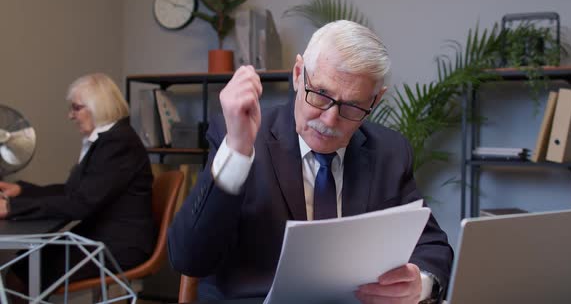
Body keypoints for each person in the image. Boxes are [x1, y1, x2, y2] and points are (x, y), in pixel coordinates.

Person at [168, 20, 453, 303]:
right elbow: (189, 258)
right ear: (297, 73)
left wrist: (420, 283)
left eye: (352, 106)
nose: (329, 120)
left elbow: (432, 246)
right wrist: (236, 152)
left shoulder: (388, 152)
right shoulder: (242, 136)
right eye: (320, 94)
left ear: (375, 101)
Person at [0, 73, 155, 292]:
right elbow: (72, 192)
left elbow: (80, 203)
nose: (70, 115)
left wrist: (11, 207)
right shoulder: (109, 140)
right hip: (104, 238)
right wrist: (21, 191)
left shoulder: (117, 143)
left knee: (20, 276)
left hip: (118, 245)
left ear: (97, 107)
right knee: (22, 266)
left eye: (76, 107)